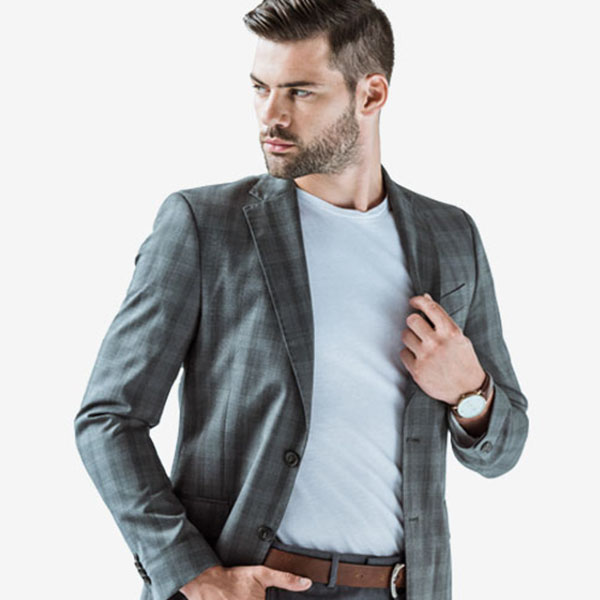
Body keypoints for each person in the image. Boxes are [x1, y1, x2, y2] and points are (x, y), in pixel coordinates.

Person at [74, 1, 529, 599]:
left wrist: (470, 391)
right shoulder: (206, 226)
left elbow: (502, 450)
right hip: (251, 586)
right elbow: (109, 419)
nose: (271, 114)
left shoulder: (450, 235)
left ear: (371, 95)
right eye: (260, 88)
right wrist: (189, 572)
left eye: (300, 92)